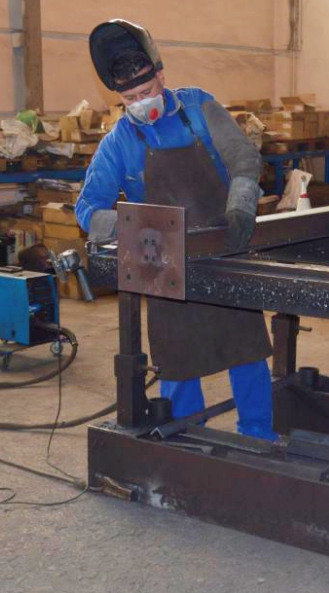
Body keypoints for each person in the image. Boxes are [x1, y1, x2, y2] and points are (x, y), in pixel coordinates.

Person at [75, 19, 276, 441]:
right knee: (178, 360)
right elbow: (87, 210)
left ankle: (258, 434)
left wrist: (242, 204)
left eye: (146, 91)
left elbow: (243, 158)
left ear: (161, 76)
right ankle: (188, 439)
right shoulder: (119, 142)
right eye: (130, 98)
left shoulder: (199, 108)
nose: (140, 103)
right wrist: (139, 228)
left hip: (223, 245)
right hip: (162, 260)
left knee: (245, 348)